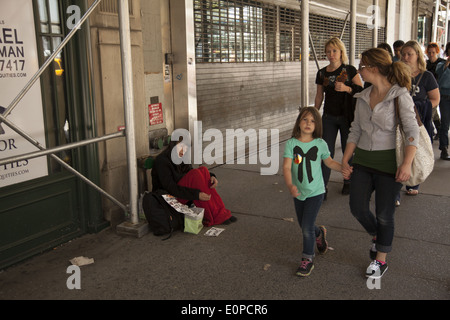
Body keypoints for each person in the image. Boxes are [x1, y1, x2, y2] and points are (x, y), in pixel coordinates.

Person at [341, 48, 420, 279]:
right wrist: (345, 158)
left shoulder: (399, 95)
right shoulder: (363, 96)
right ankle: (379, 235)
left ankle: (380, 260)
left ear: (373, 68)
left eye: (362, 66)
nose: (359, 70)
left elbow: (411, 130)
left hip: (389, 165)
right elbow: (355, 129)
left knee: (385, 214)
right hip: (363, 161)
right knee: (357, 207)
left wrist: (406, 164)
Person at [283, 107, 342, 277]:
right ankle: (319, 233)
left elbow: (329, 162)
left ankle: (307, 259)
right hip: (298, 192)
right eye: (305, 119)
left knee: (306, 227)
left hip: (316, 191)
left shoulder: (320, 144)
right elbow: (287, 167)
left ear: (317, 125)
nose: (308, 123)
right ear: (298, 122)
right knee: (304, 225)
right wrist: (290, 185)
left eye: (313, 121)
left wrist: (343, 168)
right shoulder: (292, 143)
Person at [314, 37, 363, 198]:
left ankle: (348, 181)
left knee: (347, 150)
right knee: (326, 152)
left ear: (341, 52)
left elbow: (361, 91)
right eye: (328, 51)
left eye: (334, 50)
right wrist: (314, 113)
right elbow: (319, 95)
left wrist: (347, 88)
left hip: (347, 116)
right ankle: (323, 186)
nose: (331, 54)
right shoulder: (321, 73)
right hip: (328, 116)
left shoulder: (349, 70)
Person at [151, 137, 236, 226]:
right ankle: (212, 216)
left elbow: (191, 172)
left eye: (186, 147)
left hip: (181, 192)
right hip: (168, 198)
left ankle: (221, 211)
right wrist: (196, 194)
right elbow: (171, 188)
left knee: (203, 170)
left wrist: (211, 177)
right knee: (195, 174)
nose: (184, 150)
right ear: (173, 145)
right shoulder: (162, 161)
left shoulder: (182, 157)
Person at [401, 40, 440, 196]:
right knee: (398, 151)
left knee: (415, 152)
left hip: (419, 121)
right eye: (403, 54)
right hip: (399, 120)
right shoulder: (398, 74)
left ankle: (413, 182)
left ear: (418, 55)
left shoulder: (427, 76)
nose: (405, 57)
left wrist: (421, 107)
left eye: (409, 54)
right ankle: (396, 188)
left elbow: (435, 99)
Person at [426, 42, 445, 139]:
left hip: (438, 91)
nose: (431, 54)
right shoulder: (426, 63)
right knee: (434, 113)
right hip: (427, 92)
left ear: (437, 52)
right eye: (429, 52)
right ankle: (439, 130)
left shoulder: (441, 63)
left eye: (433, 52)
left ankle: (430, 133)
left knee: (431, 113)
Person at [436, 42, 450, 160]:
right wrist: (446, 65)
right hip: (445, 97)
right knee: (445, 123)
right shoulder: (442, 65)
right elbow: (440, 79)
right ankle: (444, 148)